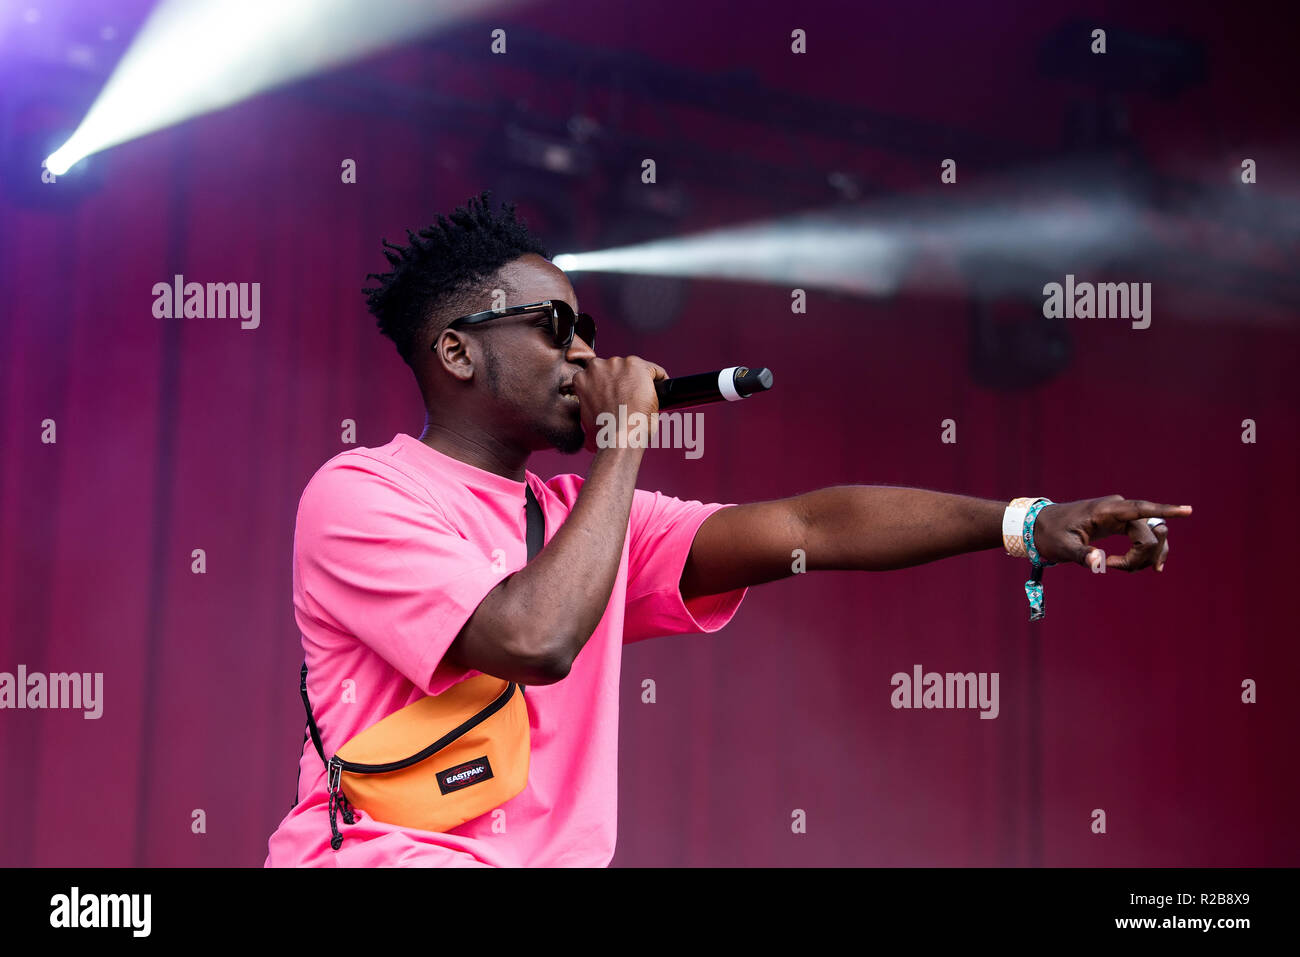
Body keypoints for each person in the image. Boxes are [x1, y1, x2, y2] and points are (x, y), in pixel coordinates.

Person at [264, 192, 1190, 867]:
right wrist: (624, 442)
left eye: (584, 326)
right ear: (458, 350)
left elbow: (810, 525)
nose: (584, 351)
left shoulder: (577, 520)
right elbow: (534, 638)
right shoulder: (362, 493)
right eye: (553, 326)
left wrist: (1028, 522)